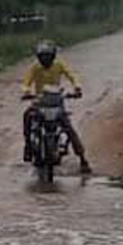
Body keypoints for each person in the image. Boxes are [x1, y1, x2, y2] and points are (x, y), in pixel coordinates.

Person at [22, 40, 92, 174]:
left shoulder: (59, 65)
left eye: (48, 56)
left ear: (53, 56)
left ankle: (83, 159)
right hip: (39, 101)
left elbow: (71, 75)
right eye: (42, 57)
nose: (45, 59)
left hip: (57, 101)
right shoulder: (35, 67)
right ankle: (28, 147)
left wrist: (77, 87)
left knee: (68, 128)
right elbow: (27, 80)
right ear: (38, 57)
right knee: (27, 117)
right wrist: (26, 91)